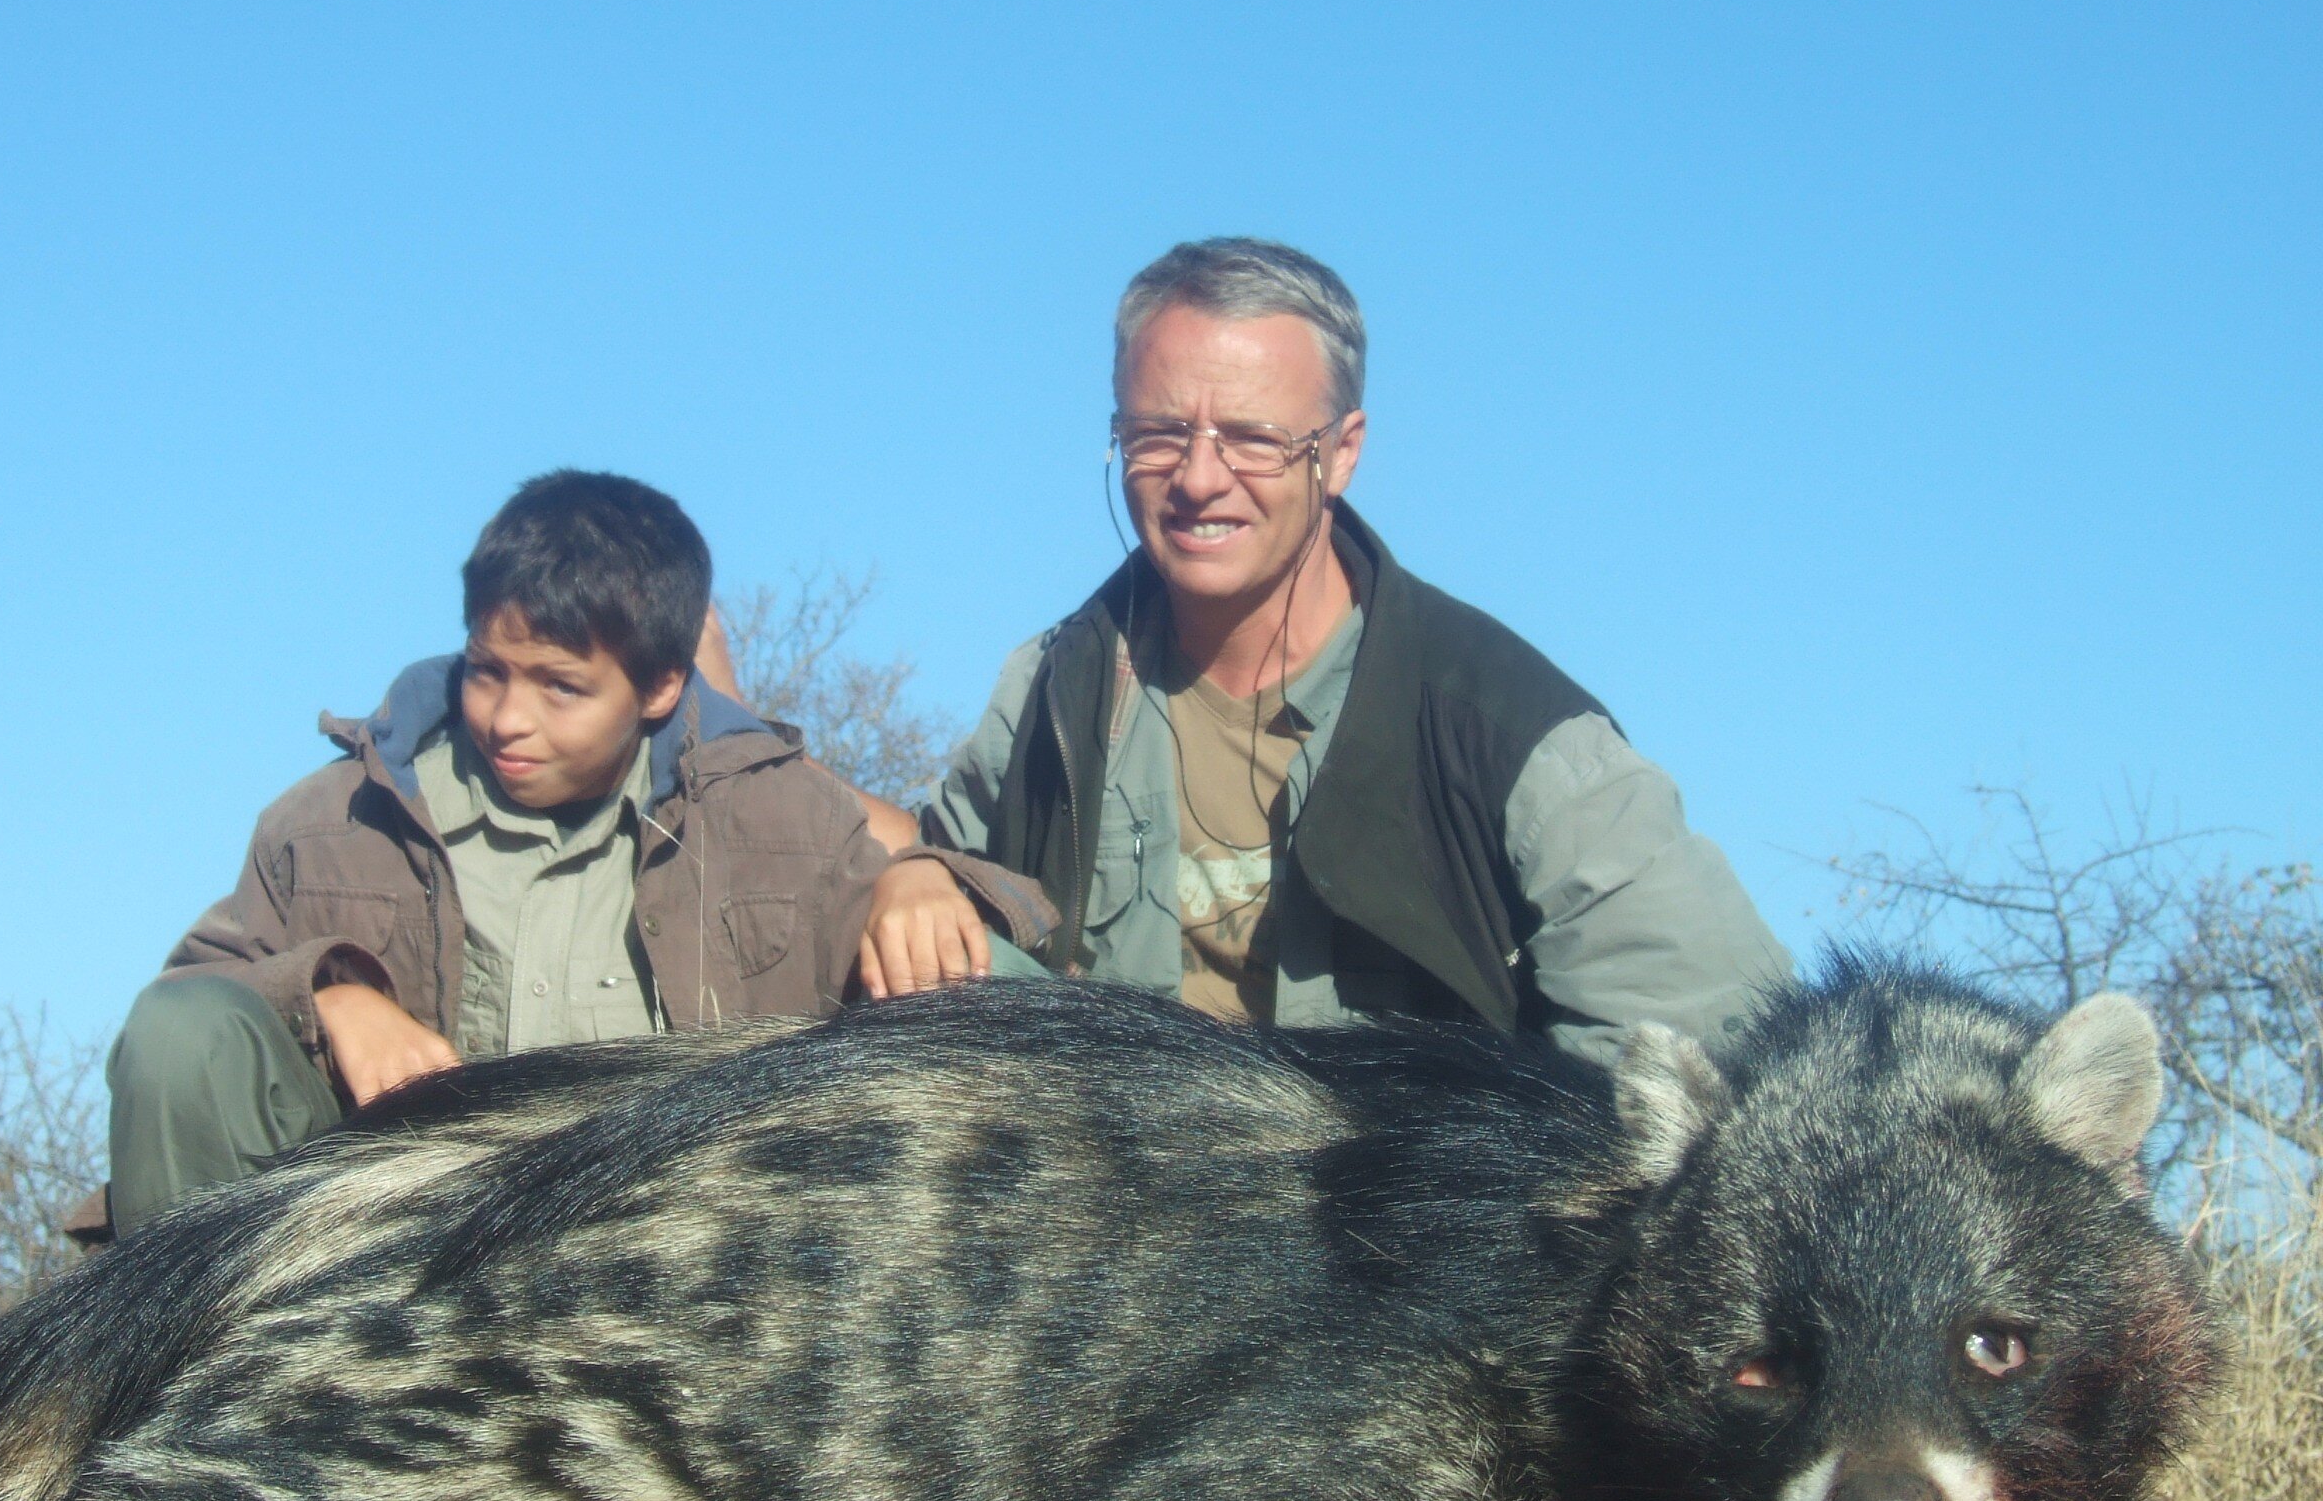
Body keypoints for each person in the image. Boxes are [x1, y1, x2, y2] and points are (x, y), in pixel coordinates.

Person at [880, 236, 1791, 1059]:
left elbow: (1726, 1037)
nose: (1199, 479)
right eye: (1159, 434)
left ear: (1342, 453)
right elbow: (946, 868)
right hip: (1105, 1222)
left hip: (1394, 1235)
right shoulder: (1053, 692)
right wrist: (910, 879)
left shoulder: (1509, 729)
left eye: (1253, 439)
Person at [90, 469, 1048, 1237]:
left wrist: (923, 877)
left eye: (561, 688)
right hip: (381, 1275)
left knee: (985, 980)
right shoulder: (333, 819)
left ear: (663, 686)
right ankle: (195, 1434)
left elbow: (1004, 926)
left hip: (674, 1266)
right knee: (186, 1037)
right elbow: (186, 1013)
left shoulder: (775, 815)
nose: (509, 718)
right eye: (487, 672)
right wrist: (326, 996)